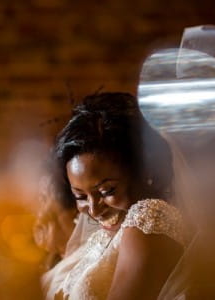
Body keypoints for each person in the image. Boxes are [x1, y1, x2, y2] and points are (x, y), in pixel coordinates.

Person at [42, 92, 187, 300]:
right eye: (80, 196)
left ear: (144, 173)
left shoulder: (148, 220)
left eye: (106, 191)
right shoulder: (106, 238)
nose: (93, 210)